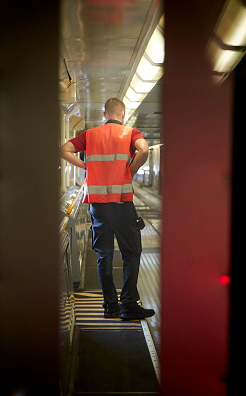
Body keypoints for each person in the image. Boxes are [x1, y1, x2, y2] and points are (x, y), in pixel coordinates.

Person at [60, 98, 155, 320]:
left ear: (105, 114)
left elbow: (64, 150)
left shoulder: (90, 135)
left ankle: (110, 306)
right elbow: (144, 150)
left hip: (97, 205)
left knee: (104, 254)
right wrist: (130, 171)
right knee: (131, 252)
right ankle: (129, 304)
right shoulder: (131, 133)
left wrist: (85, 166)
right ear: (123, 114)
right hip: (121, 202)